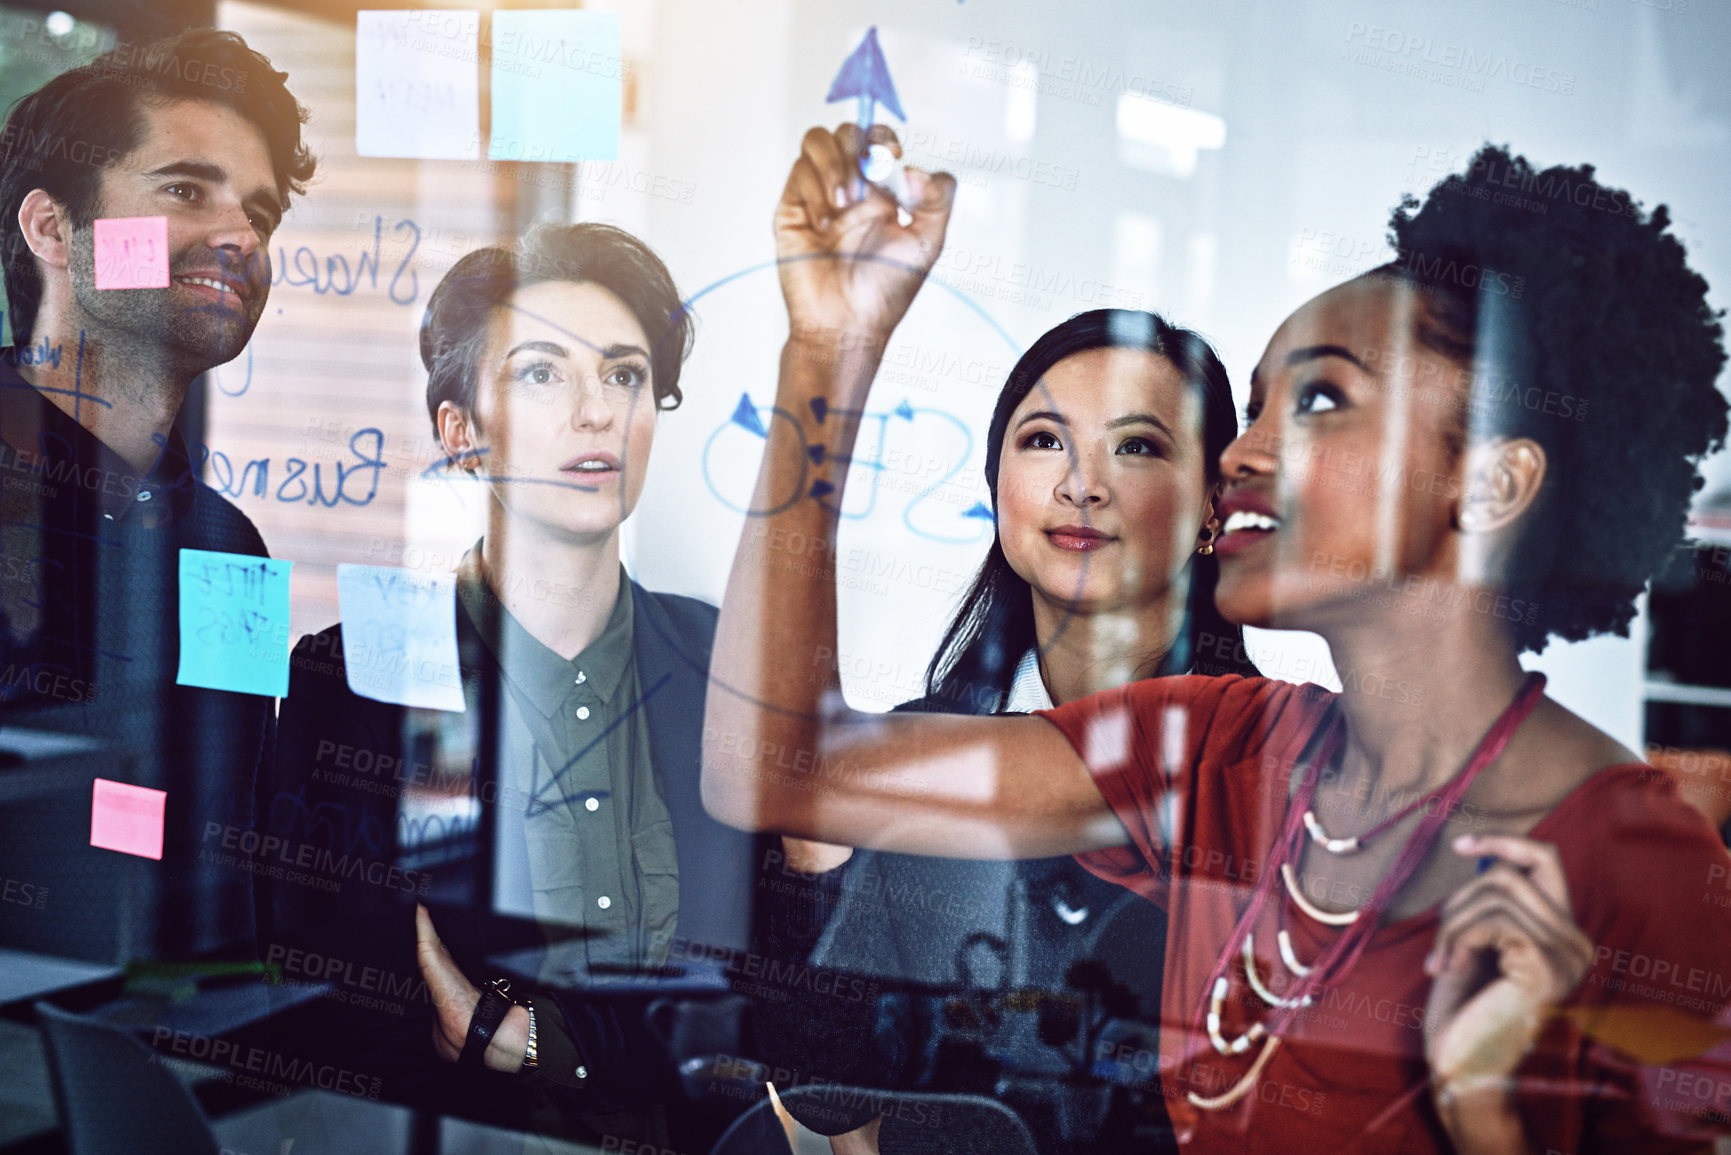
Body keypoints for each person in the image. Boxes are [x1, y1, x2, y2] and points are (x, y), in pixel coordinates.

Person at [702, 124, 1731, 1152]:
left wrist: (1489, 1121)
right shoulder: (1214, 752)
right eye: (1259, 404)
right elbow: (778, 769)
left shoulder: (1638, 866)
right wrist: (828, 352)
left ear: (1490, 481)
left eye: (1321, 399)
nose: (1240, 453)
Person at [264, 223, 766, 1152]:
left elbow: (766, 999)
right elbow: (347, 1005)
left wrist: (535, 1043)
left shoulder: (723, 661)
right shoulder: (366, 668)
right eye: (542, 373)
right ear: (460, 433)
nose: (596, 412)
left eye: (624, 374)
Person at [762, 308, 1259, 1154]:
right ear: (996, 480)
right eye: (1043, 440)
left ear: (1213, 507)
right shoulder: (909, 758)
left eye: (1136, 446)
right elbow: (827, 1100)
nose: (1080, 484)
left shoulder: (1279, 763)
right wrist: (817, 856)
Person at [0, 29, 313, 958]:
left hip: (170, 1047)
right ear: (53, 229)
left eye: (259, 211)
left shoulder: (229, 546)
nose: (241, 236)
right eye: (185, 189)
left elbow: (218, 825)